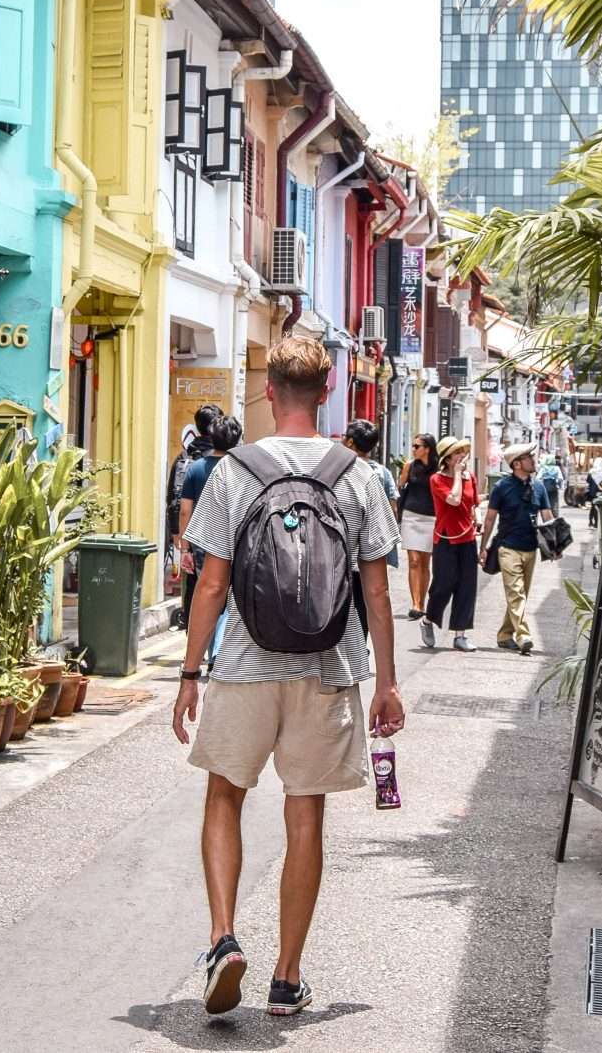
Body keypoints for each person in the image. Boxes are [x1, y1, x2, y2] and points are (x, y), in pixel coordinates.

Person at [175, 336, 404, 1019]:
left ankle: (223, 939)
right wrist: (387, 683)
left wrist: (189, 672)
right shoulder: (357, 474)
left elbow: (211, 584)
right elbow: (378, 592)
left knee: (224, 796)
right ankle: (286, 975)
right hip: (327, 668)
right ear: (327, 393)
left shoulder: (234, 470)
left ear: (269, 391)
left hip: (246, 666)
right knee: (305, 814)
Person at [483, 441, 556, 653]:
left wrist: (555, 545)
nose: (533, 460)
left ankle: (505, 635)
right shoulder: (501, 487)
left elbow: (547, 516)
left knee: (519, 595)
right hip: (508, 548)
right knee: (516, 593)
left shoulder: (538, 487)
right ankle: (523, 635)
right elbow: (490, 519)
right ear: (516, 464)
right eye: (529, 457)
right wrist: (483, 547)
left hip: (530, 548)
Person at [175, 415, 243, 632]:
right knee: (231, 593)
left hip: (202, 541)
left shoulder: (195, 469)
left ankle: (209, 640)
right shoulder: (241, 470)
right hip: (234, 540)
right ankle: (222, 642)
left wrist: (184, 549)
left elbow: (185, 511)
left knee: (207, 591)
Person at [422, 436, 480, 652]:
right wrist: (457, 475)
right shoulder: (437, 479)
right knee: (443, 584)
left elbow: (473, 504)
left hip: (467, 537)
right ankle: (428, 619)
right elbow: (454, 500)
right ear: (446, 459)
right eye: (456, 453)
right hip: (446, 538)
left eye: (462, 452)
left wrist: (477, 518)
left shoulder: (470, 477)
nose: (461, 457)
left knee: (467, 586)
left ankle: (460, 635)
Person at [166, 405, 222, 628]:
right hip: (218, 532)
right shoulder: (223, 459)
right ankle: (215, 636)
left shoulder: (184, 459)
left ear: (197, 428)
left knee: (193, 583)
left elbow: (174, 499)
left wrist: (177, 535)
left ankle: (192, 629)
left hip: (190, 533)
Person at [342, 419, 400, 572]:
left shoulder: (340, 469)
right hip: (373, 551)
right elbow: (393, 509)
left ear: (350, 442)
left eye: (344, 436)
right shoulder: (384, 473)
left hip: (344, 550)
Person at [398, 433, 438, 621]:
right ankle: (415, 604)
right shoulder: (409, 466)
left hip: (431, 517)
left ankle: (422, 602)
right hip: (411, 516)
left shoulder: (438, 469)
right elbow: (400, 487)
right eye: (413, 446)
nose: (413, 449)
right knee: (414, 560)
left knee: (425, 562)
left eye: (417, 446)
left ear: (427, 449)